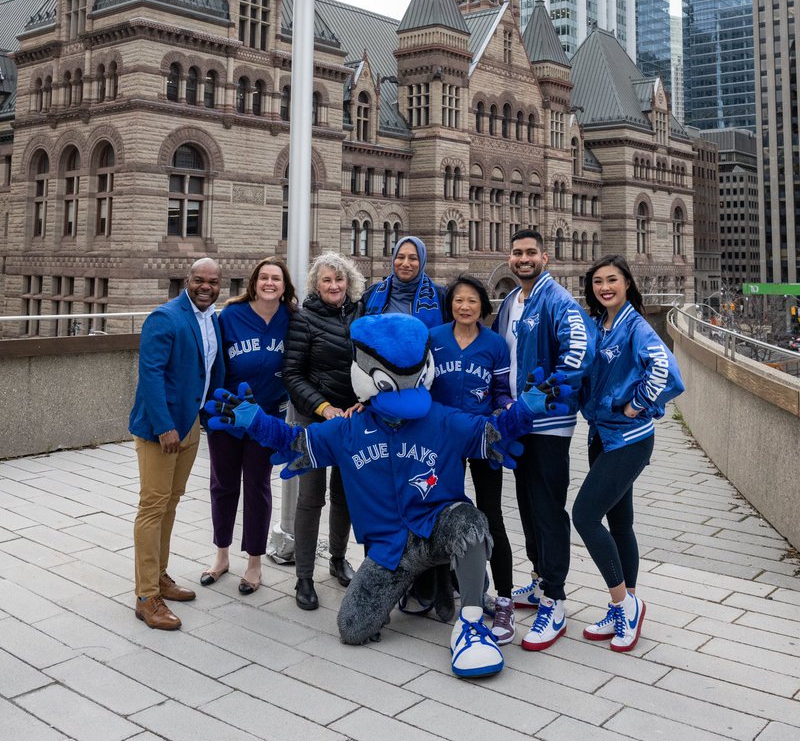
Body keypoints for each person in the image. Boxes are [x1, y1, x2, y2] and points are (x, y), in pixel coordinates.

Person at [204, 312, 569, 679]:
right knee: (353, 628)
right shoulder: (348, 428)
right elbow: (296, 442)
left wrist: (525, 410)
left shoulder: (443, 419)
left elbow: (491, 433)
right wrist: (255, 421)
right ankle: (420, 586)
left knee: (470, 522)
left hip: (437, 528)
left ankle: (471, 622)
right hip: (391, 550)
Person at [573, 255, 684, 652]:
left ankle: (624, 603)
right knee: (620, 522)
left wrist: (636, 404)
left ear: (626, 284)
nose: (605, 287)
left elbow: (662, 367)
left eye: (612, 280)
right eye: (599, 281)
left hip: (630, 438)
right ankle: (628, 601)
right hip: (602, 436)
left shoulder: (635, 325)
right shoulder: (600, 325)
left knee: (584, 515)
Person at [492, 228, 594, 651]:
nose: (523, 259)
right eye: (517, 253)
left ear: (545, 257)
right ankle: (538, 580)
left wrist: (537, 400)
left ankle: (555, 598)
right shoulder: (510, 303)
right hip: (517, 424)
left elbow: (578, 353)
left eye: (530, 253)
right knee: (529, 507)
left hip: (548, 425)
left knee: (549, 509)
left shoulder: (558, 300)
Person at [129, 257, 224, 630]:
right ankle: (145, 597)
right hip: (161, 429)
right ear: (187, 281)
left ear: (220, 285)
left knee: (171, 501)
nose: (206, 286)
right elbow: (149, 374)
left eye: (212, 282)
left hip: (190, 424)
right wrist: (164, 425)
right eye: (199, 280)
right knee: (152, 506)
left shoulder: (212, 319)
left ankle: (160, 577)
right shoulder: (165, 317)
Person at [428, 275, 517, 645]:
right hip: (444, 439)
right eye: (458, 300)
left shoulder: (495, 344)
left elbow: (500, 392)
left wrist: (505, 412)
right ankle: (447, 585)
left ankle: (505, 598)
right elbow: (424, 388)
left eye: (472, 301)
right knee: (441, 512)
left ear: (483, 306)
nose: (465, 307)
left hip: (482, 439)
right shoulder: (434, 338)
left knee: (490, 515)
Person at [201, 257, 297, 594]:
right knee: (223, 485)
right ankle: (221, 555)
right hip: (228, 413)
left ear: (285, 287)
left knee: (257, 487)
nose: (269, 283)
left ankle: (254, 562)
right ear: (254, 282)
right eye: (264, 278)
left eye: (276, 279)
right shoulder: (231, 316)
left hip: (265, 418)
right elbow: (213, 360)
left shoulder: (292, 320)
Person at [282, 251, 364, 610]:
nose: (334, 286)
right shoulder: (303, 319)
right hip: (314, 420)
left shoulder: (362, 315)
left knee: (345, 495)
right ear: (316, 284)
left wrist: (364, 404)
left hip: (351, 419)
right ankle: (303, 576)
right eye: (327, 280)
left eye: (340, 279)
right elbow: (292, 374)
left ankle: (337, 558)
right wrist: (322, 407)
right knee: (311, 498)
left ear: (349, 282)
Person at [362, 235, 448, 327]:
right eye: (400, 257)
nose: (405, 263)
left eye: (413, 258)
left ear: (422, 262)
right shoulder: (373, 292)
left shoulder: (440, 295)